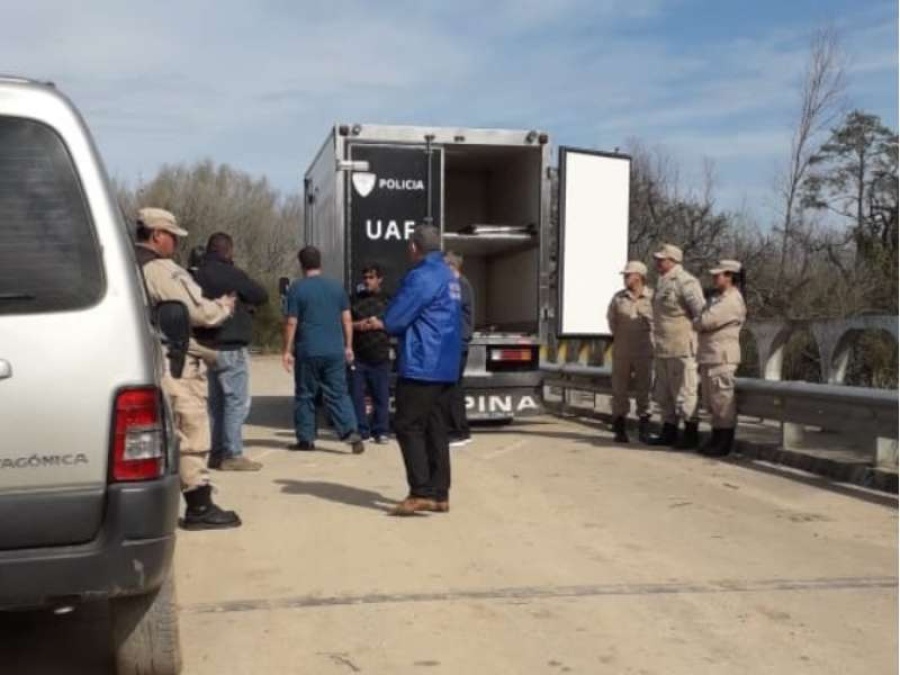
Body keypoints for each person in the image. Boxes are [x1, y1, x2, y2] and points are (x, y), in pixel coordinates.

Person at [134, 207, 241, 530]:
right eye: (171, 237)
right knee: (191, 428)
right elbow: (198, 312)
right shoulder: (161, 269)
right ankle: (199, 505)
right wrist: (223, 307)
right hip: (177, 361)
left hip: (150, 357)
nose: (175, 245)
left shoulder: (130, 266)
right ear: (157, 235)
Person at [366, 225, 461, 516]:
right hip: (446, 363)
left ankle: (420, 491)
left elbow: (396, 318)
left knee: (407, 425)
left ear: (414, 247)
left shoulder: (422, 276)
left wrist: (380, 322)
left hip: (423, 362)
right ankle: (440, 492)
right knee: (435, 427)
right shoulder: (449, 274)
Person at [193, 232, 269, 471]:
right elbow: (261, 295)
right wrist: (245, 304)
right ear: (228, 250)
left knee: (215, 404)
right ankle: (232, 454)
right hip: (232, 345)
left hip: (207, 346)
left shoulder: (196, 276)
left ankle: (216, 453)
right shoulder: (233, 275)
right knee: (236, 402)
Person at [282, 246, 364, 454]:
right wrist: (348, 346)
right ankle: (351, 433)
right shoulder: (336, 287)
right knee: (338, 393)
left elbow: (292, 322)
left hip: (308, 349)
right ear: (320, 262)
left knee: (305, 394)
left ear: (301, 264)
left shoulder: (297, 289)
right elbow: (347, 319)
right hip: (334, 350)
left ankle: (306, 439)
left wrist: (287, 350)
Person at [649, 243, 705, 449]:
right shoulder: (661, 282)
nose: (657, 262)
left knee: (685, 393)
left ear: (672, 261)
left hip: (682, 347)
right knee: (664, 394)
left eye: (661, 259)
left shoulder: (686, 282)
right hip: (663, 347)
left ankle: (690, 433)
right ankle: (669, 431)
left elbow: (700, 311)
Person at [694, 260, 746, 457]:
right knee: (713, 401)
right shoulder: (718, 299)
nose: (714, 278)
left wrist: (699, 320)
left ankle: (724, 442)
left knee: (723, 401)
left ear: (729, 276)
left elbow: (705, 321)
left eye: (719, 275)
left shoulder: (731, 300)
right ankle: (716, 437)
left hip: (722, 357)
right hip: (711, 356)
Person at [606, 260, 654, 444]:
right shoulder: (618, 298)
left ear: (639, 276)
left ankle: (644, 428)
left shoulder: (653, 297)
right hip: (622, 350)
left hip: (644, 350)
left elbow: (658, 323)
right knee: (619, 390)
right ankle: (619, 429)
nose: (625, 278)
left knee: (644, 390)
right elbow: (612, 321)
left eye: (628, 275)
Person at [350, 263, 392, 443]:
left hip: (380, 355)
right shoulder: (354, 299)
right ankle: (362, 430)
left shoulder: (389, 300)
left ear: (379, 279)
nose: (367, 281)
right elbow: (343, 323)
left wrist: (380, 324)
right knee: (356, 396)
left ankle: (381, 431)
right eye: (365, 277)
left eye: (371, 277)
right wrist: (357, 325)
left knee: (381, 396)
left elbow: (397, 322)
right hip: (358, 356)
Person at [444, 251, 474, 447]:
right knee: (452, 386)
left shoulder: (460, 285)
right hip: (456, 342)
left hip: (458, 342)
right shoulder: (460, 284)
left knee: (454, 388)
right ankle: (457, 428)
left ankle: (460, 431)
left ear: (452, 266)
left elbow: (451, 309)